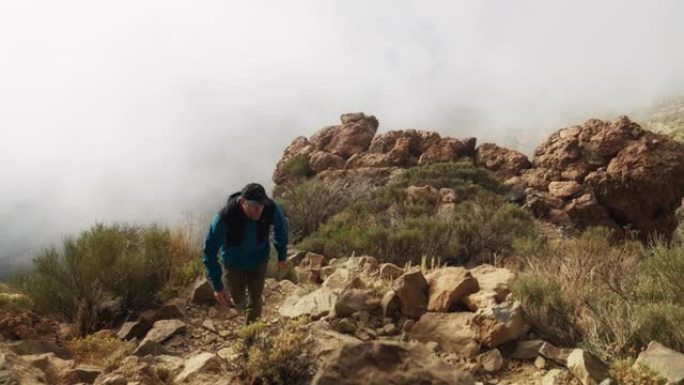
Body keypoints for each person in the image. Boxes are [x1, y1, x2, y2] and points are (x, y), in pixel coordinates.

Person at [201, 182, 289, 324]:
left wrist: (282, 255)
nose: (259, 211)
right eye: (254, 206)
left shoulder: (270, 208)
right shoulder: (225, 217)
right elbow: (209, 250)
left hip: (259, 261)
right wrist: (217, 286)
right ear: (243, 202)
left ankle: (251, 332)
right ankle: (242, 306)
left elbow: (282, 229)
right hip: (233, 264)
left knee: (256, 299)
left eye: (262, 206)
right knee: (239, 299)